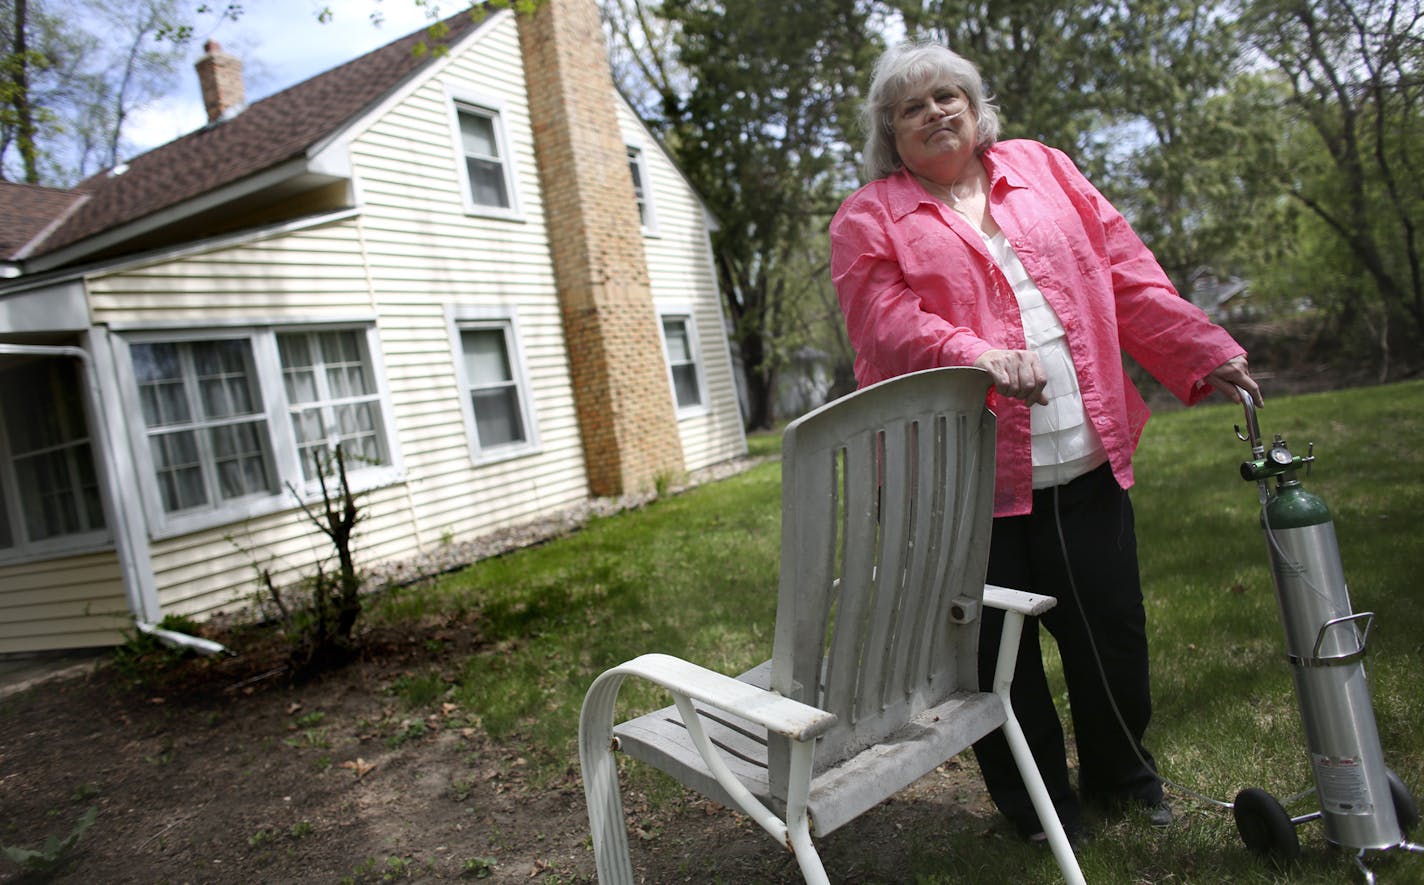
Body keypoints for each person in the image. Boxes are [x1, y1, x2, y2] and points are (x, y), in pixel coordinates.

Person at [829, 40, 1263, 843]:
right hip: (966, 491)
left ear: (975, 102)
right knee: (999, 669)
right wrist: (978, 355)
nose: (935, 112)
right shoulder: (869, 216)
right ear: (889, 130)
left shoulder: (1046, 168)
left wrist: (1203, 348)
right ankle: (1038, 812)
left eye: (948, 94)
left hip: (1086, 459)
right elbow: (885, 328)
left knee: (1113, 643)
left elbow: (1126, 274)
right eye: (912, 105)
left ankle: (1124, 781)